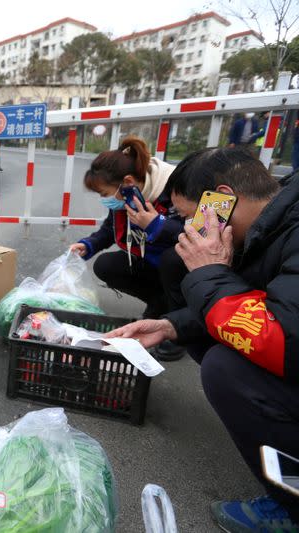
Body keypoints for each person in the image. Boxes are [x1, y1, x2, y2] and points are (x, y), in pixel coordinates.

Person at [107, 147, 299, 532]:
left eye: (190, 215)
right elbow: (260, 300)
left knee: (225, 369)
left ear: (223, 198)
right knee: (209, 334)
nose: (188, 227)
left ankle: (292, 502)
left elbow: (286, 343)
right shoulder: (271, 223)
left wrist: (211, 270)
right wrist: (171, 326)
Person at [69, 136, 185, 360]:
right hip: (148, 261)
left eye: (104, 194)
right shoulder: (128, 196)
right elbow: (110, 229)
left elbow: (196, 233)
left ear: (128, 181)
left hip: (180, 268)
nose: (105, 200)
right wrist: (88, 245)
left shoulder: (177, 189)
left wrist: (156, 224)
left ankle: (178, 326)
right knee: (106, 266)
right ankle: (158, 304)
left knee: (172, 260)